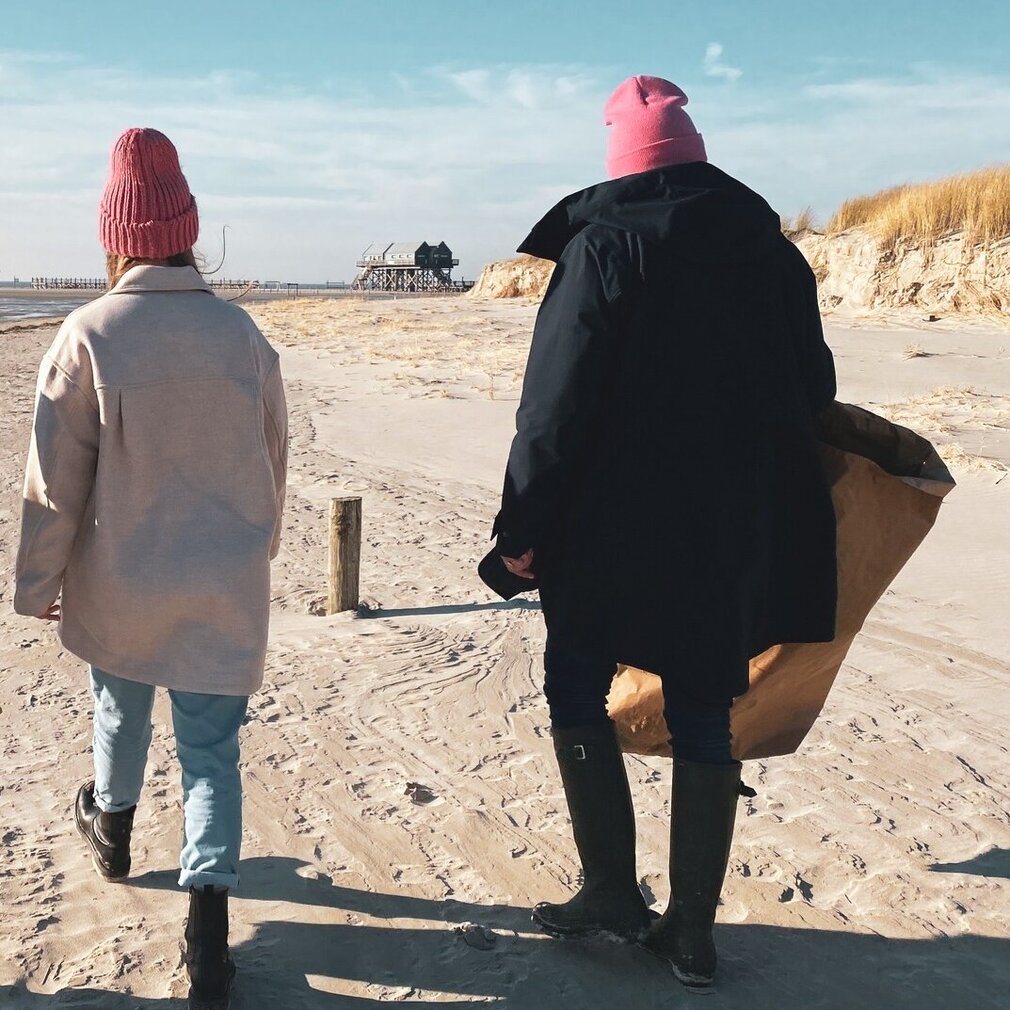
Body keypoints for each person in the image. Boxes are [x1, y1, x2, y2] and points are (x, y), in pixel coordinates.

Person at [488, 76, 837, 991]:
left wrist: (522, 524)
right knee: (703, 709)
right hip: (730, 531)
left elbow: (553, 410)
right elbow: (814, 395)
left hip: (610, 530)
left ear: (621, 160)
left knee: (573, 683)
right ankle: (690, 931)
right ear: (693, 152)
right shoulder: (774, 255)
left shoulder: (603, 246)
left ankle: (610, 887)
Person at [13, 128, 288, 1010]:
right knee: (211, 753)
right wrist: (260, 548)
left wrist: (36, 585)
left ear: (116, 235)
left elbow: (54, 482)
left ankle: (115, 833)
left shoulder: (90, 332)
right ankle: (208, 933)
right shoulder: (241, 336)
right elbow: (273, 458)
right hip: (220, 582)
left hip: (122, 578)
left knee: (117, 706)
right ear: (185, 230)